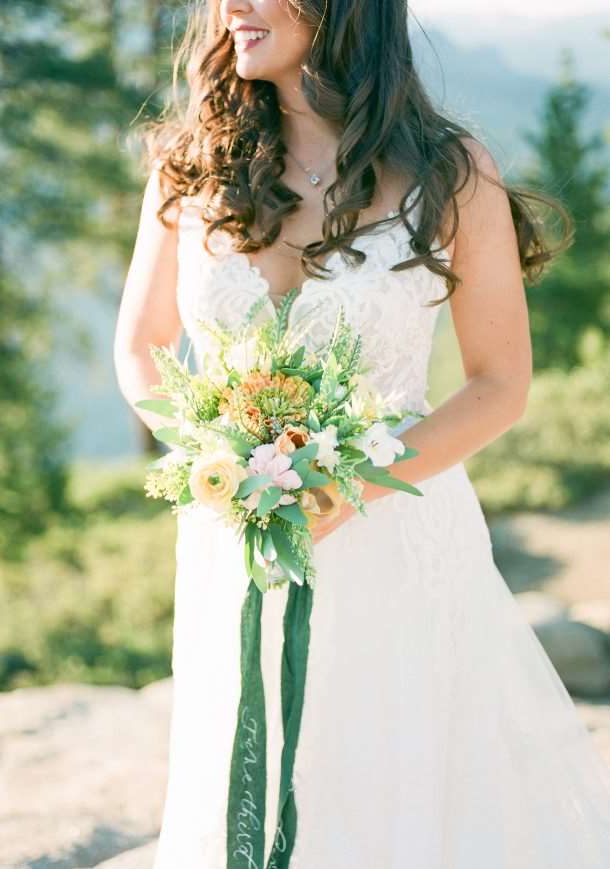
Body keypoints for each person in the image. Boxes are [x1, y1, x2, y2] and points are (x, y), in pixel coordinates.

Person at [113, 1, 610, 866]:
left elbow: (501, 384)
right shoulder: (188, 165)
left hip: (397, 538)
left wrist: (354, 485)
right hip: (238, 536)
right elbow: (141, 346)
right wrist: (212, 456)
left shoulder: (450, 172)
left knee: (393, 790)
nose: (230, 5)